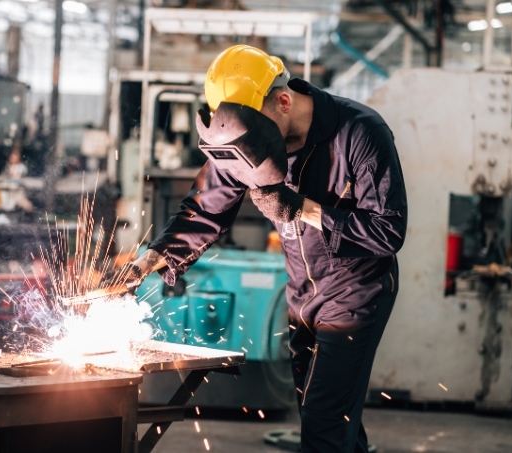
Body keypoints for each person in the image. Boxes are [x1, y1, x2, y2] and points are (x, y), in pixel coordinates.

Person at [117, 45, 408, 452]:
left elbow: (388, 231)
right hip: (302, 293)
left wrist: (302, 209)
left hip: (356, 294)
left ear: (284, 101)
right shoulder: (246, 136)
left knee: (324, 424)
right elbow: (207, 206)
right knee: (328, 416)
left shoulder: (359, 131)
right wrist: (155, 255)